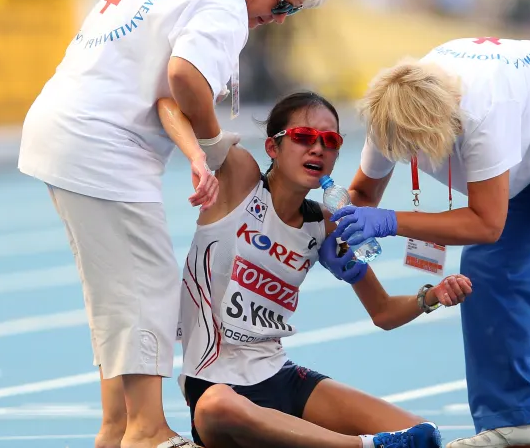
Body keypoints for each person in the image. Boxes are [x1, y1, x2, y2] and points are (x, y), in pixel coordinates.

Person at [16, 0, 337, 448]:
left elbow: (165, 84)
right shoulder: (226, 3)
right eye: (281, 5)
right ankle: (146, 431)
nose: (277, 20)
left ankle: (117, 427)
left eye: (291, 13)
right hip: (102, 145)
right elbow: (186, 76)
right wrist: (214, 150)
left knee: (120, 294)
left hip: (66, 126)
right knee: (147, 287)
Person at [333, 38, 530, 448]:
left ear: (444, 128)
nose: (407, 156)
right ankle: (514, 420)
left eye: (415, 147)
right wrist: (325, 229)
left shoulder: (482, 114)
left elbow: (486, 222)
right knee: (487, 270)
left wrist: (390, 222)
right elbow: (363, 194)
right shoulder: (388, 109)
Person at [157, 91, 473, 448]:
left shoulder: (325, 223)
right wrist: (198, 158)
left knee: (422, 434)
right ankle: (365, 447)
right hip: (218, 387)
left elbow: (383, 312)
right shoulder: (240, 178)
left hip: (282, 378)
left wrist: (431, 296)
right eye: (303, 137)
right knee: (216, 406)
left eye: (330, 141)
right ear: (273, 148)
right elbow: (171, 103)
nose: (317, 148)